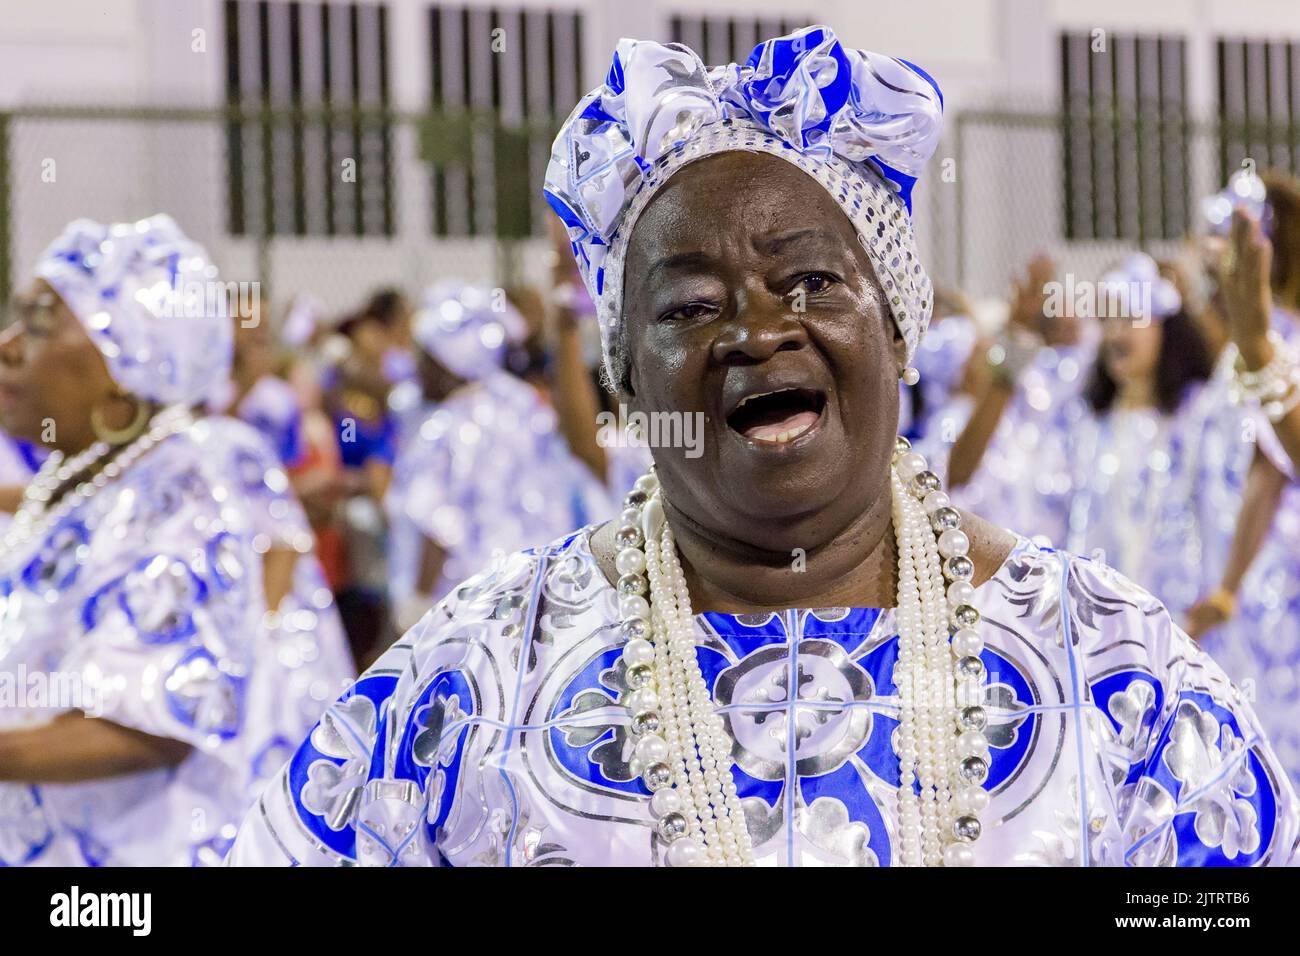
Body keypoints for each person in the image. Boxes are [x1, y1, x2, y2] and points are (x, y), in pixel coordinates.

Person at [229, 26, 1296, 867]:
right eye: (688, 305)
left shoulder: (1105, 663)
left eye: (812, 281)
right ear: (630, 377)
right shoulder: (477, 677)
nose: (755, 329)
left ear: (896, 323)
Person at [0, 215, 348, 864]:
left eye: (42, 324)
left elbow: (150, 725)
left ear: (128, 363)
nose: (9, 346)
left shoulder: (186, 485)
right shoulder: (81, 478)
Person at [384, 281, 613, 637]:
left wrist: (414, 607)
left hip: (465, 609)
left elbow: (437, 525)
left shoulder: (447, 427)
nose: (417, 370)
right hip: (536, 595)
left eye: (425, 358)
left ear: (449, 362)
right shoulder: (524, 407)